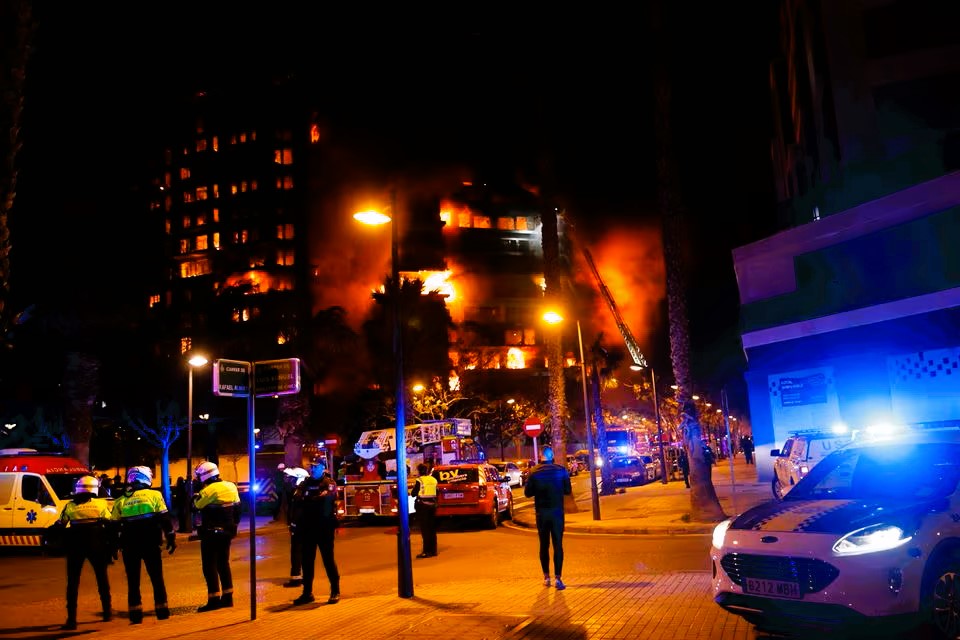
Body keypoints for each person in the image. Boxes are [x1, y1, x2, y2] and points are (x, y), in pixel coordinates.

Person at [110, 466, 176, 624]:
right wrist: (171, 537)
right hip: (151, 544)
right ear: (146, 478)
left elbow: (113, 527)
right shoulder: (154, 495)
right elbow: (165, 519)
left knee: (133, 581)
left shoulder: (121, 500)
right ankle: (162, 611)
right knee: (157, 578)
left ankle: (135, 615)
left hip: (129, 546)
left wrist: (112, 546)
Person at [58, 475, 117, 630]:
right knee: (102, 579)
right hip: (97, 545)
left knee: (73, 583)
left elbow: (61, 524)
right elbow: (110, 521)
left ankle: (71, 620)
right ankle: (107, 612)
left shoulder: (70, 506)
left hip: (75, 546)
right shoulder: (100, 504)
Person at [192, 461, 242, 612]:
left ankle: (214, 599)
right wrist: (233, 526)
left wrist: (195, 494)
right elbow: (238, 509)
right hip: (227, 531)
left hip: (210, 532)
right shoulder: (231, 486)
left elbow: (195, 506)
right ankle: (228, 598)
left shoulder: (208, 491)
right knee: (223, 564)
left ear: (203, 476)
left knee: (209, 566)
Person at [290, 459, 341, 605]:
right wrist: (313, 498)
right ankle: (307, 593)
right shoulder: (304, 483)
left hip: (324, 527)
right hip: (308, 528)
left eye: (316, 466)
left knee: (328, 560)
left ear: (323, 468)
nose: (312, 469)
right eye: (311, 466)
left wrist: (309, 499)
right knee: (307, 561)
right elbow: (297, 500)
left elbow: (325, 503)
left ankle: (335, 591)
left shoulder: (329, 483)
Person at [523, 446, 572, 590]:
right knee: (558, 545)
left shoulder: (534, 472)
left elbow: (527, 493)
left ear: (540, 456)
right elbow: (567, 491)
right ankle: (558, 578)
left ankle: (546, 577)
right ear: (552, 456)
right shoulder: (561, 470)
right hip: (557, 512)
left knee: (543, 545)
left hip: (542, 513)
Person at [282, 467, 304, 587]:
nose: (287, 480)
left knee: (296, 551)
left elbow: (296, 512)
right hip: (301, 526)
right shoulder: (299, 491)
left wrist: (293, 525)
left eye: (290, 478)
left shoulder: (299, 493)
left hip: (299, 527)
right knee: (302, 551)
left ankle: (296, 578)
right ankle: (301, 576)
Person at [410, 462, 438, 558]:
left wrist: (412, 492)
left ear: (419, 471)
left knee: (425, 530)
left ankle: (426, 551)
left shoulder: (420, 480)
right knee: (432, 529)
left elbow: (414, 493)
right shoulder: (433, 480)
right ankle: (433, 550)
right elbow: (436, 492)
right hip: (432, 506)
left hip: (423, 506)